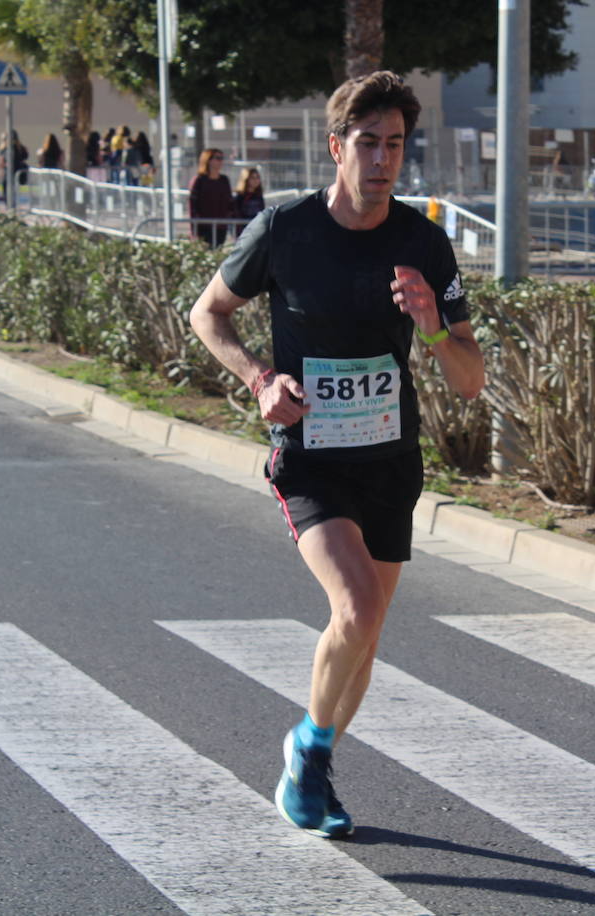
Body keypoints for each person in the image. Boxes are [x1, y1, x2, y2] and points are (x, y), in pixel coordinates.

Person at [189, 71, 485, 840]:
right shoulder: (286, 230)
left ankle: (309, 768)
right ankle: (310, 753)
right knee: (353, 607)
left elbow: (471, 379)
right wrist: (260, 378)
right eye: (367, 143)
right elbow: (207, 314)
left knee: (368, 630)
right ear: (336, 147)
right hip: (310, 457)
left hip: (389, 461)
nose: (382, 159)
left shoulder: (423, 242)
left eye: (395, 144)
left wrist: (430, 322)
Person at [187, 148, 235, 246]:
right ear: (208, 160)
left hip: (221, 227)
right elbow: (193, 205)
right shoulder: (199, 180)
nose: (221, 161)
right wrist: (194, 229)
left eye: (222, 158)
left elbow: (230, 202)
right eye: (217, 158)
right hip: (203, 227)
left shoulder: (224, 180)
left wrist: (228, 218)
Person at [232, 166, 265, 235]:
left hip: (256, 229)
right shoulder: (240, 196)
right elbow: (237, 213)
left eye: (257, 177)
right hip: (243, 230)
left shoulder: (259, 196)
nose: (256, 180)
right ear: (246, 179)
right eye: (252, 178)